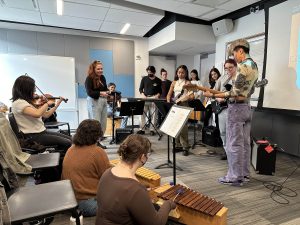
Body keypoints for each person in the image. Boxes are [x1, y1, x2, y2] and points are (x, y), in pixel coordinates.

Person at [204, 39, 258, 186]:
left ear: (241, 51)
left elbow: (234, 93)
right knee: (245, 144)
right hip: (247, 107)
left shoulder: (243, 66)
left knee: (234, 144)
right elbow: (250, 90)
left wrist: (214, 95)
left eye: (234, 53)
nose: (234, 57)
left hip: (237, 108)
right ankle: (245, 175)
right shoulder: (255, 66)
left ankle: (234, 177)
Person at [96, 134, 176, 225]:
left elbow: (121, 193)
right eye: (147, 155)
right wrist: (169, 204)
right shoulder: (136, 190)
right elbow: (157, 223)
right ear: (142, 157)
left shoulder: (107, 173)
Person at [11, 75, 72, 153]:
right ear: (26, 88)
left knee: (70, 139)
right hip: (32, 136)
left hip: (41, 132)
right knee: (67, 143)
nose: (35, 90)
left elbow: (46, 114)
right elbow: (37, 114)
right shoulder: (19, 103)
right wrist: (46, 104)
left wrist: (58, 103)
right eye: (33, 87)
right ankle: (60, 161)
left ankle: (59, 156)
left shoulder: (27, 102)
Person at [62, 119, 110, 217]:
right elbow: (108, 179)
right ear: (98, 135)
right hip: (86, 204)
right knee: (126, 200)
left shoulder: (71, 148)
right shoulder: (97, 152)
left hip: (69, 199)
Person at [213, 59, 237, 160]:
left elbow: (240, 95)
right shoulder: (222, 78)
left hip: (235, 109)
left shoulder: (239, 79)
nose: (228, 70)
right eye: (226, 68)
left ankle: (233, 154)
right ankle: (227, 152)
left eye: (230, 67)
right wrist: (218, 98)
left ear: (236, 67)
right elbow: (213, 92)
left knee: (233, 133)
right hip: (222, 109)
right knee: (222, 132)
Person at [166, 65, 192, 156]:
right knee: (175, 127)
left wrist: (182, 99)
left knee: (183, 128)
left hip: (184, 105)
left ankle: (185, 147)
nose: (180, 74)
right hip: (174, 105)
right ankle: (177, 146)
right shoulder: (174, 82)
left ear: (186, 73)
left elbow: (191, 96)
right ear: (177, 73)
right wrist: (169, 101)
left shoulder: (188, 82)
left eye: (182, 72)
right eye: (179, 72)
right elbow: (169, 94)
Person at [85, 60, 109, 136]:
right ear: (94, 69)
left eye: (101, 69)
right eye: (98, 69)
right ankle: (94, 142)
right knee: (95, 123)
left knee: (103, 123)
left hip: (103, 101)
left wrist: (108, 91)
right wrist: (101, 93)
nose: (100, 70)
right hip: (94, 101)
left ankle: (99, 140)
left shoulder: (102, 77)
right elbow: (89, 93)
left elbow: (104, 88)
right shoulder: (89, 78)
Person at [137, 66, 162, 135]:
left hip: (154, 99)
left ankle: (152, 130)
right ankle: (142, 129)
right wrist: (142, 95)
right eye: (148, 72)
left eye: (150, 72)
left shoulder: (158, 80)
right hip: (145, 98)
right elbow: (140, 89)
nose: (149, 73)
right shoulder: (144, 79)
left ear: (154, 72)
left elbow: (160, 91)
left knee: (154, 115)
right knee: (141, 114)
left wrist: (157, 95)